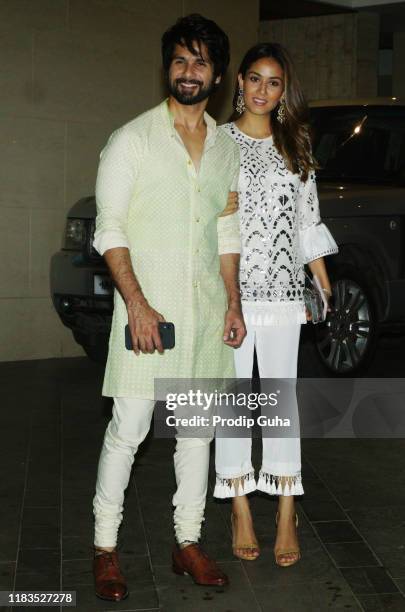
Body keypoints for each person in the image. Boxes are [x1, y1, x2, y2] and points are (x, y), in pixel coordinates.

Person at [91, 14, 246, 601]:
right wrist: (136, 304)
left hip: (206, 318)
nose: (190, 71)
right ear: (168, 67)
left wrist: (233, 303)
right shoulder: (131, 140)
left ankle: (188, 543)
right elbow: (109, 229)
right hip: (145, 318)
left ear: (217, 74)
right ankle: (105, 549)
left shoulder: (226, 146)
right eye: (181, 60)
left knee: (196, 435)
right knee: (129, 428)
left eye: (201, 61)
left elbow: (226, 232)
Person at [214, 43, 338, 566]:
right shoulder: (217, 143)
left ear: (284, 90)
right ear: (239, 81)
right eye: (256, 79)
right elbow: (200, 217)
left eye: (275, 82)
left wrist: (323, 286)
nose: (264, 90)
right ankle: (239, 504)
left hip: (286, 296)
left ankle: (287, 508)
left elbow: (307, 223)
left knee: (282, 403)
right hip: (233, 296)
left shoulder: (296, 146)